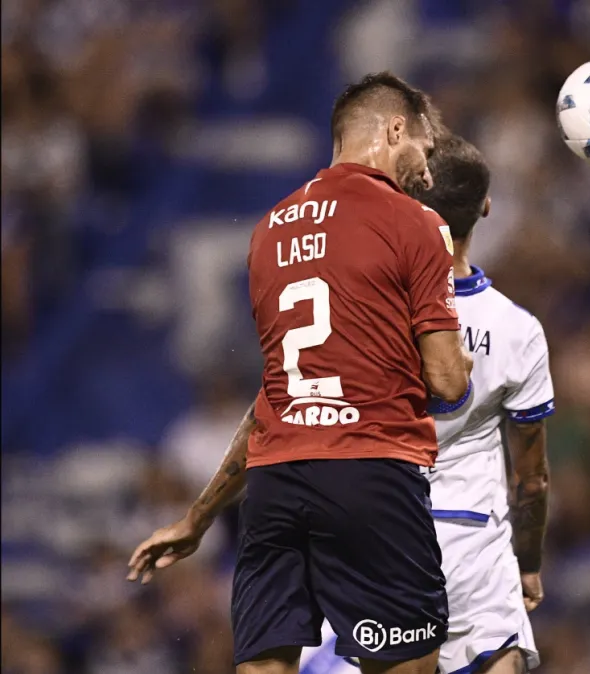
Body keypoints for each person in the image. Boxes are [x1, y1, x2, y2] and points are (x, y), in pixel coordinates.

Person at [126, 72, 473, 674]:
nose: (428, 168)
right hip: (371, 472)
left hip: (275, 486)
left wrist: (198, 518)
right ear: (394, 130)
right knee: (408, 666)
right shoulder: (416, 224)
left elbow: (277, 398)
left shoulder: (270, 231)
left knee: (263, 666)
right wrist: (458, 359)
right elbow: (447, 383)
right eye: (425, 147)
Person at [300, 134, 554, 674]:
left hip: (385, 537)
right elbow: (531, 481)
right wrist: (527, 565)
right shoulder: (519, 331)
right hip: (477, 547)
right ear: (485, 208)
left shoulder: (363, 313)